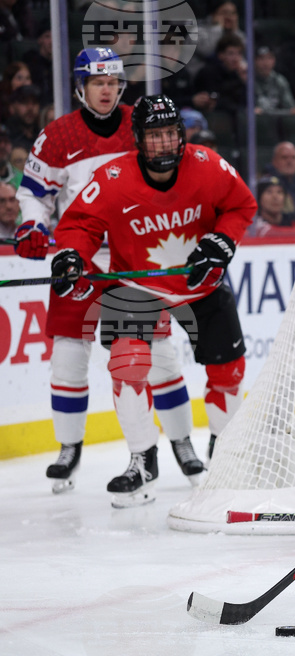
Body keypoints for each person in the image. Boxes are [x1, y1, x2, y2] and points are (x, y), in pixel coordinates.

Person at [52, 94, 256, 508]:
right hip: (136, 286)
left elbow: (241, 205)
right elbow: (80, 224)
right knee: (127, 364)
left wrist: (222, 240)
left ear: (181, 136)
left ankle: (226, 453)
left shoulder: (207, 165)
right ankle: (142, 461)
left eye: (169, 133)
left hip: (200, 282)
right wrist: (72, 254)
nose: (163, 143)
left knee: (229, 371)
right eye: (154, 135)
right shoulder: (112, 178)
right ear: (138, 140)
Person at [14, 49, 200, 494]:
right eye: (98, 83)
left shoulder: (141, 123)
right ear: (81, 86)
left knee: (157, 355)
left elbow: (174, 172)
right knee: (68, 356)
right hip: (78, 260)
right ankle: (69, 448)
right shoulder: (58, 136)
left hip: (133, 259)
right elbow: (34, 194)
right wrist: (32, 225)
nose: (107, 90)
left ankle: (181, 442)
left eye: (114, 82)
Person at [192, 33, 248, 116]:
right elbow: (213, 103)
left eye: (239, 53)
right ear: (221, 55)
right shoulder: (208, 73)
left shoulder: (240, 75)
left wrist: (244, 82)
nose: (236, 59)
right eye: (231, 53)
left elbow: (247, 103)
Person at [253, 46, 295, 115]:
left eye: (269, 58)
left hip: (277, 122)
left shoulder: (280, 80)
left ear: (274, 60)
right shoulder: (248, 80)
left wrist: (264, 112)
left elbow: (292, 109)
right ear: (254, 61)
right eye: (261, 58)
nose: (265, 63)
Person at [6, 83, 41, 151]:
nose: (30, 108)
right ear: (12, 107)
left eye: (34, 102)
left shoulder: (42, 136)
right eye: (24, 102)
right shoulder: (5, 137)